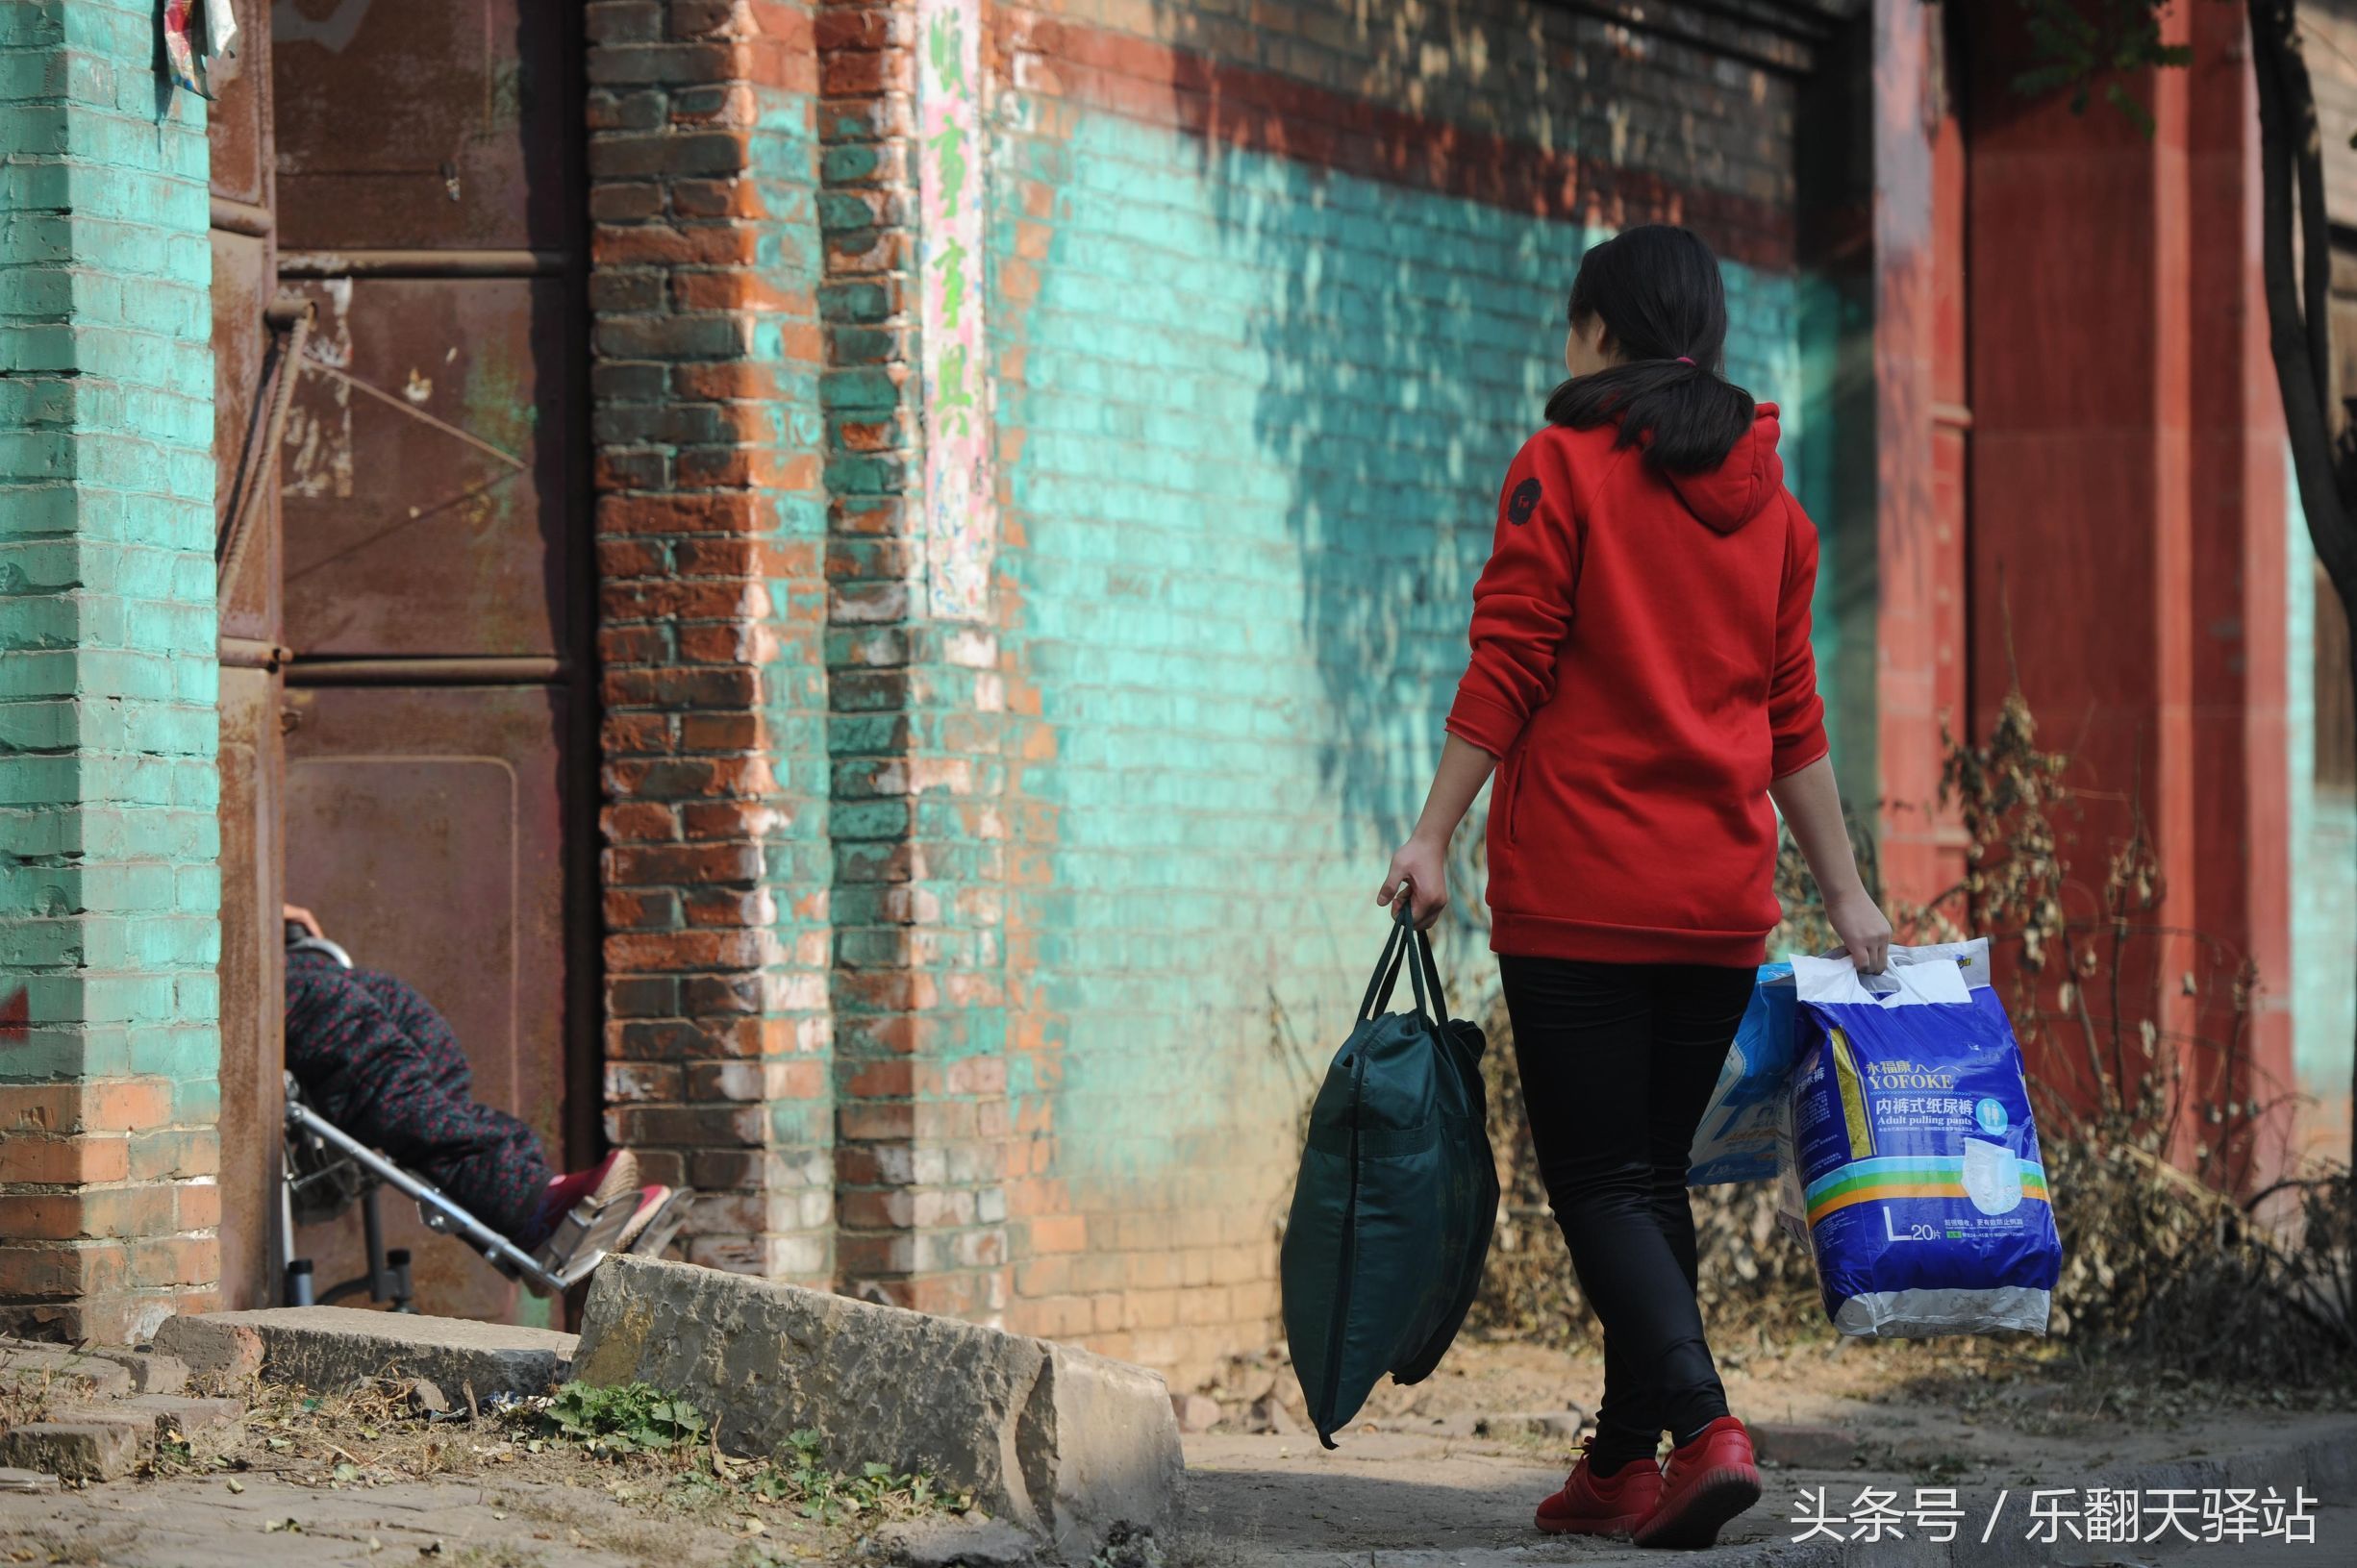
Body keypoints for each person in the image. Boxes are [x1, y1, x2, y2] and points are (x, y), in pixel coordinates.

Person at [1379, 225, 1892, 1551]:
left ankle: (1706, 1425)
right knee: (1648, 1176)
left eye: (1574, 322)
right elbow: (1792, 721)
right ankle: (1619, 1459)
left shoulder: (1560, 468)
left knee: (1600, 1181)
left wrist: (1430, 835)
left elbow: (1508, 661)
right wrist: (1845, 896)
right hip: (1718, 908)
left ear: (1602, 333)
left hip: (1580, 894)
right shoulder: (1777, 514)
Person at [282, 905, 679, 1264]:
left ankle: (536, 1199)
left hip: (289, 965)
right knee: (344, 1024)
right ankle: (531, 1207)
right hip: (264, 979)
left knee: (418, 1031)